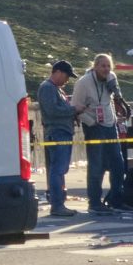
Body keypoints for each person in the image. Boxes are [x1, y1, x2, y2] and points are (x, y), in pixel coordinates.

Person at [71, 53, 131, 213]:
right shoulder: (83, 83)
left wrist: (115, 116)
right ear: (95, 66)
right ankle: (95, 202)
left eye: (108, 66)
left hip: (110, 126)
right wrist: (91, 122)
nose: (106, 69)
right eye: (102, 66)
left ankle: (117, 199)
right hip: (94, 126)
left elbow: (112, 100)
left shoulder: (111, 78)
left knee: (118, 164)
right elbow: (75, 107)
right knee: (96, 165)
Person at [34, 60, 79, 217]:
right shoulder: (47, 88)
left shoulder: (56, 89)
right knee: (57, 170)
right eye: (67, 76)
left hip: (62, 132)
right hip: (57, 132)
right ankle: (57, 205)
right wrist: (73, 110)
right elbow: (52, 110)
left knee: (60, 169)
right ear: (58, 72)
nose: (67, 80)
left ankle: (59, 203)